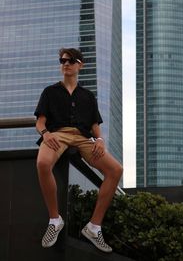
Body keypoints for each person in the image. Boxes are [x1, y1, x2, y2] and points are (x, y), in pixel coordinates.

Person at [34, 48, 123, 253]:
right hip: (57, 134)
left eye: (71, 60)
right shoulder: (50, 91)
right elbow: (40, 121)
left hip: (84, 139)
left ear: (80, 65)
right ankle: (55, 219)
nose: (66, 63)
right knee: (43, 163)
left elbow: (94, 125)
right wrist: (45, 134)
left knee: (115, 170)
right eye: (63, 60)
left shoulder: (88, 96)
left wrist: (100, 139)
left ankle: (94, 227)